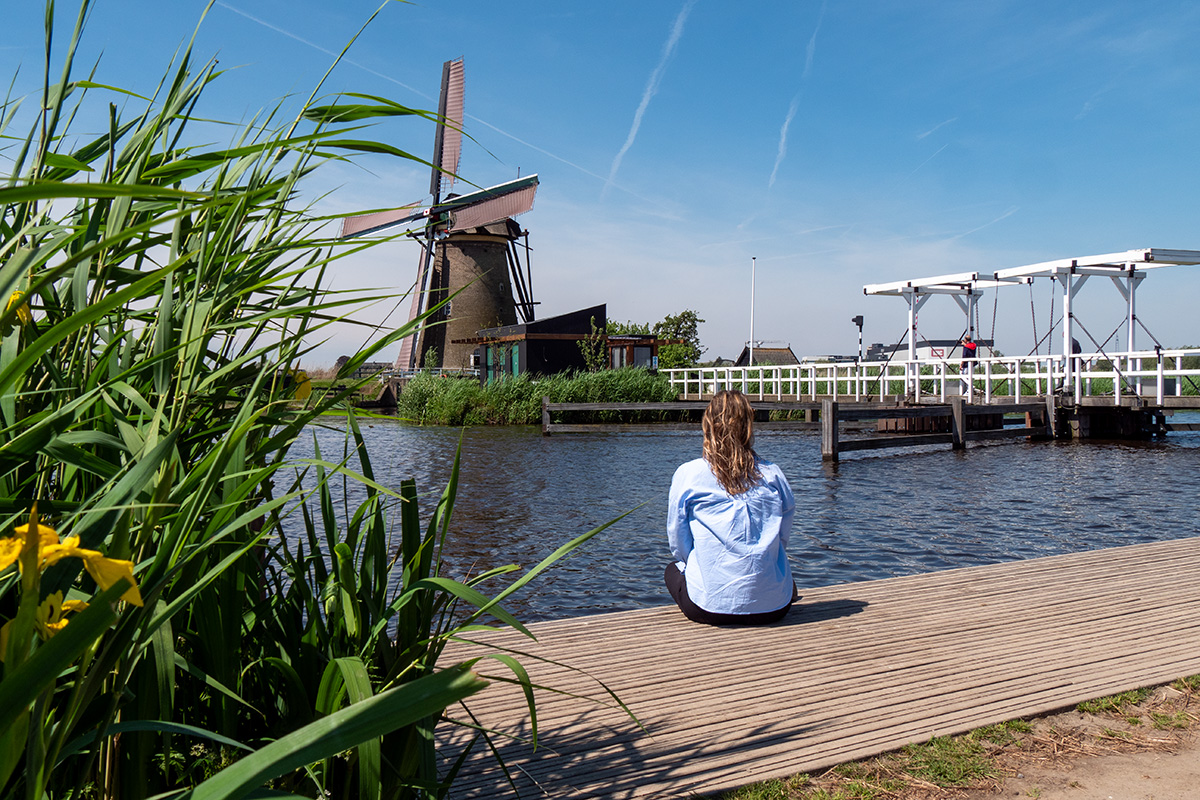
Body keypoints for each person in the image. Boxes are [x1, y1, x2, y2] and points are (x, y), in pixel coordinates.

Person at [664, 389, 796, 625]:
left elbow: (678, 540)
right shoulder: (773, 474)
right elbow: (781, 538)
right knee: (779, 569)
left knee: (672, 570)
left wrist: (695, 562)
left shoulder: (690, 473)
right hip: (775, 608)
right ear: (748, 427)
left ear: (708, 426)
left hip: (709, 607)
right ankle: (767, 592)